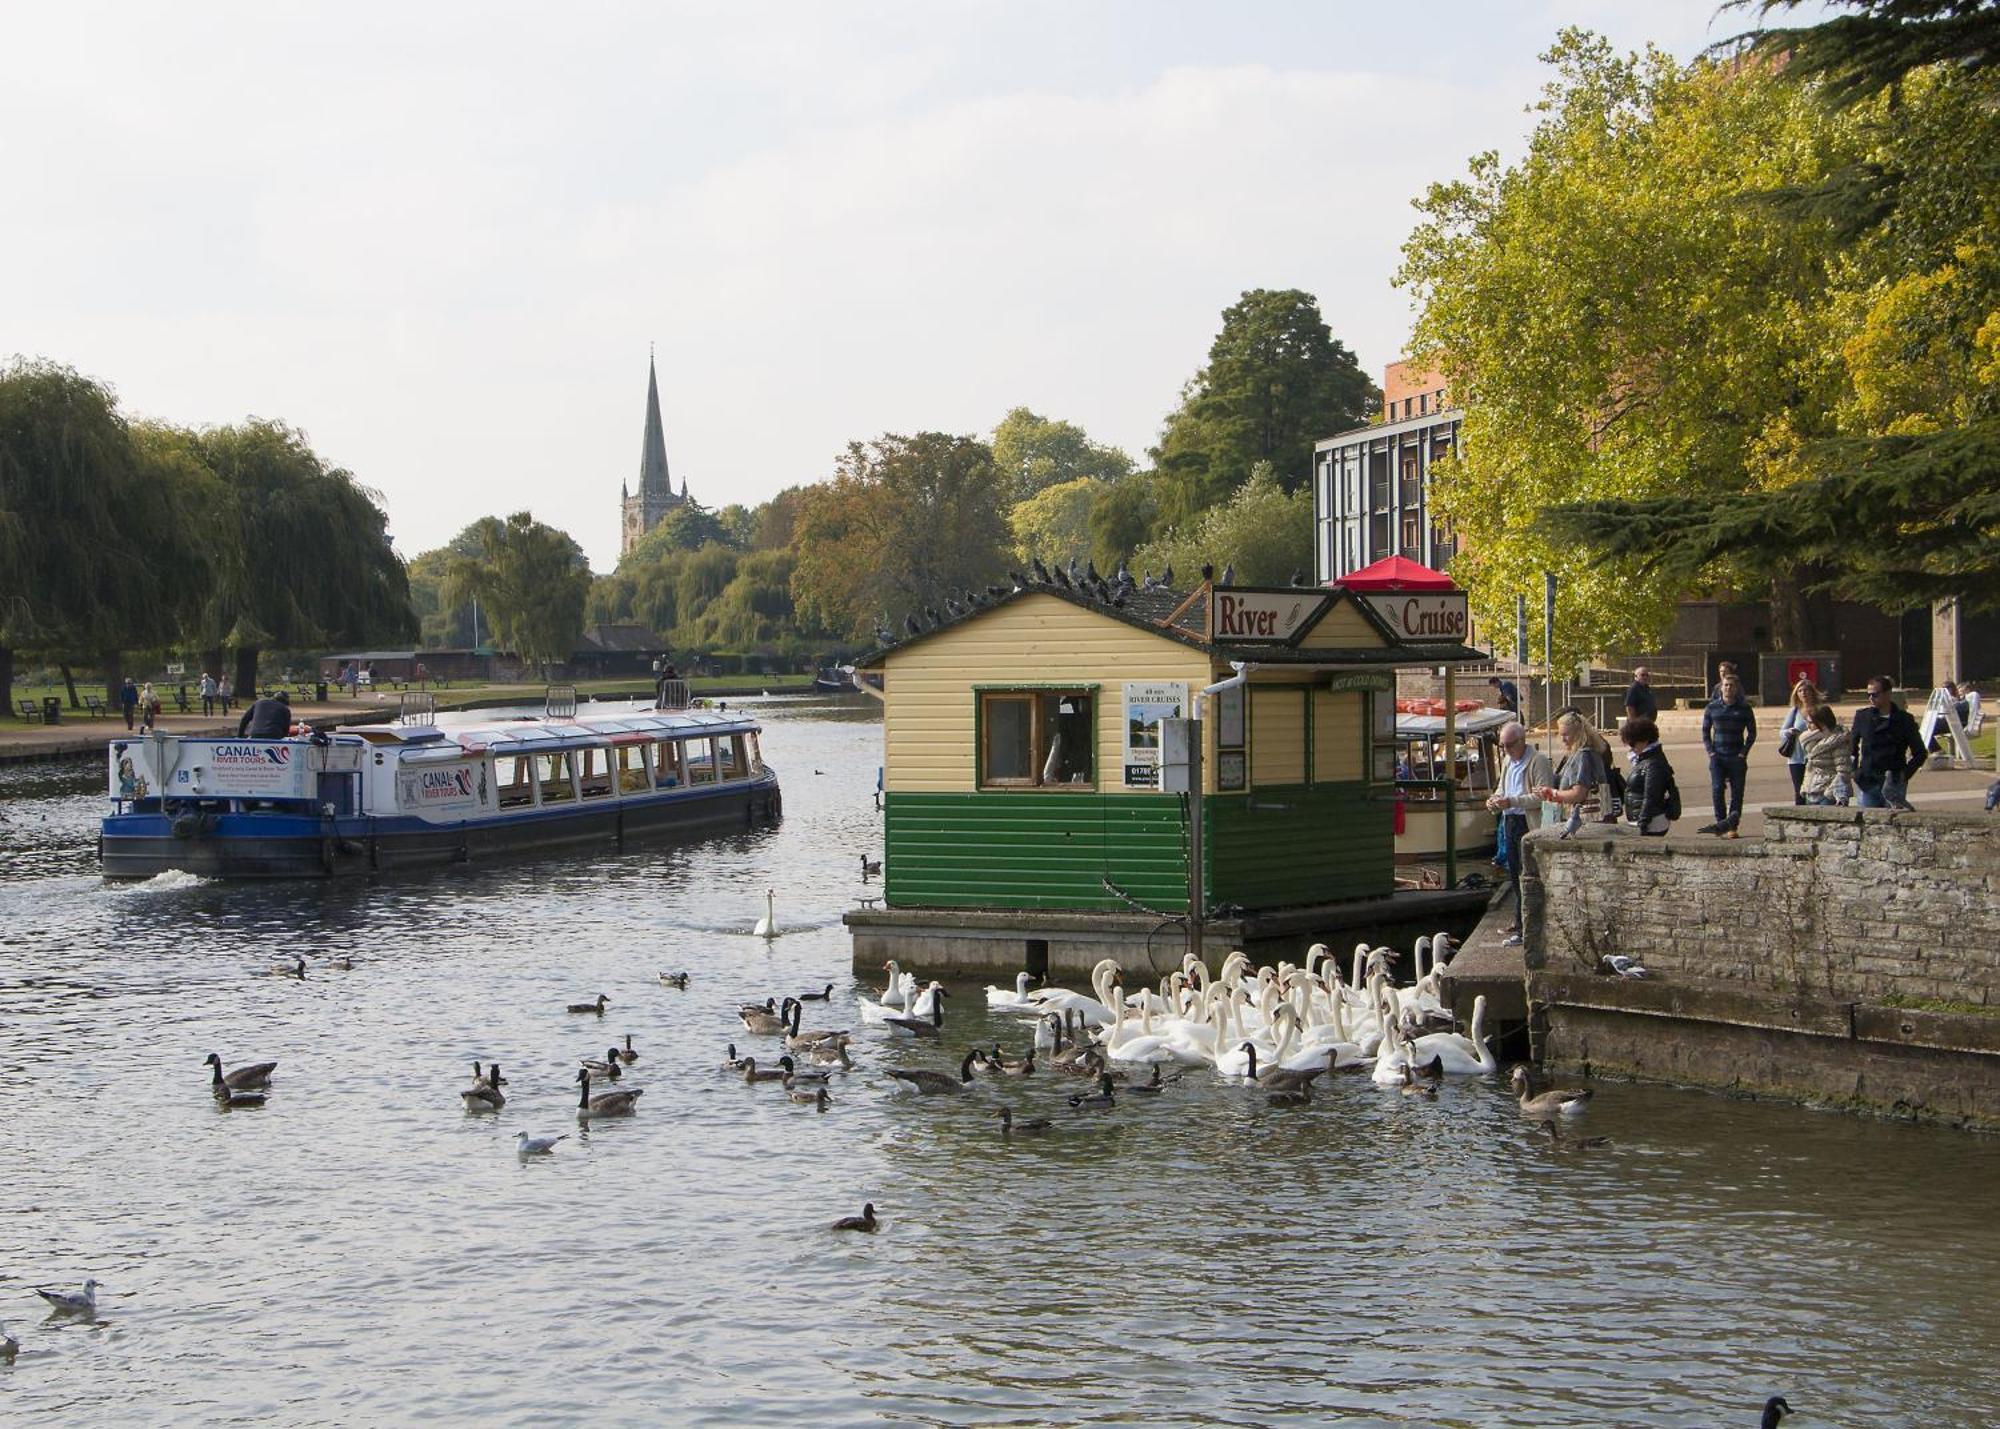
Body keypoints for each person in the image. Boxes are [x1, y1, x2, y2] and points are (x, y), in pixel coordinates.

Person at [1485, 721, 1551, 947]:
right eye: (1502, 745)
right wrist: (1494, 801)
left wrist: (1512, 801)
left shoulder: (1538, 761)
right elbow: (1502, 789)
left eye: (1510, 745)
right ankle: (1520, 922)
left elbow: (1543, 796)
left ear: (1522, 741)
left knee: (1528, 875)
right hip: (1510, 821)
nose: (1506, 750)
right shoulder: (1507, 761)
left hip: (1528, 822)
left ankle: (1528, 927)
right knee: (1514, 875)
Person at [1850, 676, 1926, 810]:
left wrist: (1905, 774)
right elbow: (1851, 746)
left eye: (1875, 694)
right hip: (1868, 780)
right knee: (1867, 822)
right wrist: (1854, 771)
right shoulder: (1863, 716)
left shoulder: (1904, 720)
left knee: (1894, 824)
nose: (1871, 698)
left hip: (1894, 781)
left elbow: (1920, 752)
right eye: (1868, 695)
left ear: (1888, 693)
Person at [1699, 670, 1757, 837]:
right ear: (1720, 688)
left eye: (1731, 685)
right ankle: (1720, 823)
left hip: (1736, 756)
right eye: (1725, 685)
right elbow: (1705, 732)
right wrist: (1710, 752)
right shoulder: (1712, 707)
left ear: (1736, 688)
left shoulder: (1745, 708)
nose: (1728, 688)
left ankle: (1732, 826)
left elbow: (1752, 733)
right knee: (1717, 790)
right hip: (1718, 756)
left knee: (1737, 792)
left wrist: (1743, 753)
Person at [1536, 711, 1608, 838]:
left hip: (1584, 823)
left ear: (1579, 734)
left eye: (1566, 735)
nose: (1562, 739)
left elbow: (1578, 794)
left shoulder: (1582, 756)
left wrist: (1553, 794)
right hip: (1597, 821)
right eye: (1560, 734)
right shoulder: (1590, 753)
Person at [1620, 716, 1679, 836]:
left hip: (1652, 822)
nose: (1631, 748)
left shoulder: (1653, 764)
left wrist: (1642, 823)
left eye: (1632, 743)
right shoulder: (1646, 760)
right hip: (1647, 819)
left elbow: (1651, 796)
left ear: (1644, 740)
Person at [1777, 679, 1822, 806]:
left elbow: (1829, 730)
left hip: (1816, 757)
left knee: (1816, 791)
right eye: (1800, 691)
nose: (1803, 693)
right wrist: (1789, 732)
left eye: (1806, 690)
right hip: (1796, 758)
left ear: (1812, 692)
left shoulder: (1820, 710)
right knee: (1800, 792)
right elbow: (1782, 732)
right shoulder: (1794, 711)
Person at [1798, 704, 1853, 806]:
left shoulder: (1838, 741)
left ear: (1822, 724)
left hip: (1827, 795)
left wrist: (1829, 794)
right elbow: (1810, 769)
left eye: (1811, 723)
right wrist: (1805, 789)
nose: (1807, 726)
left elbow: (1843, 771)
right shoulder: (1812, 742)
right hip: (1811, 793)